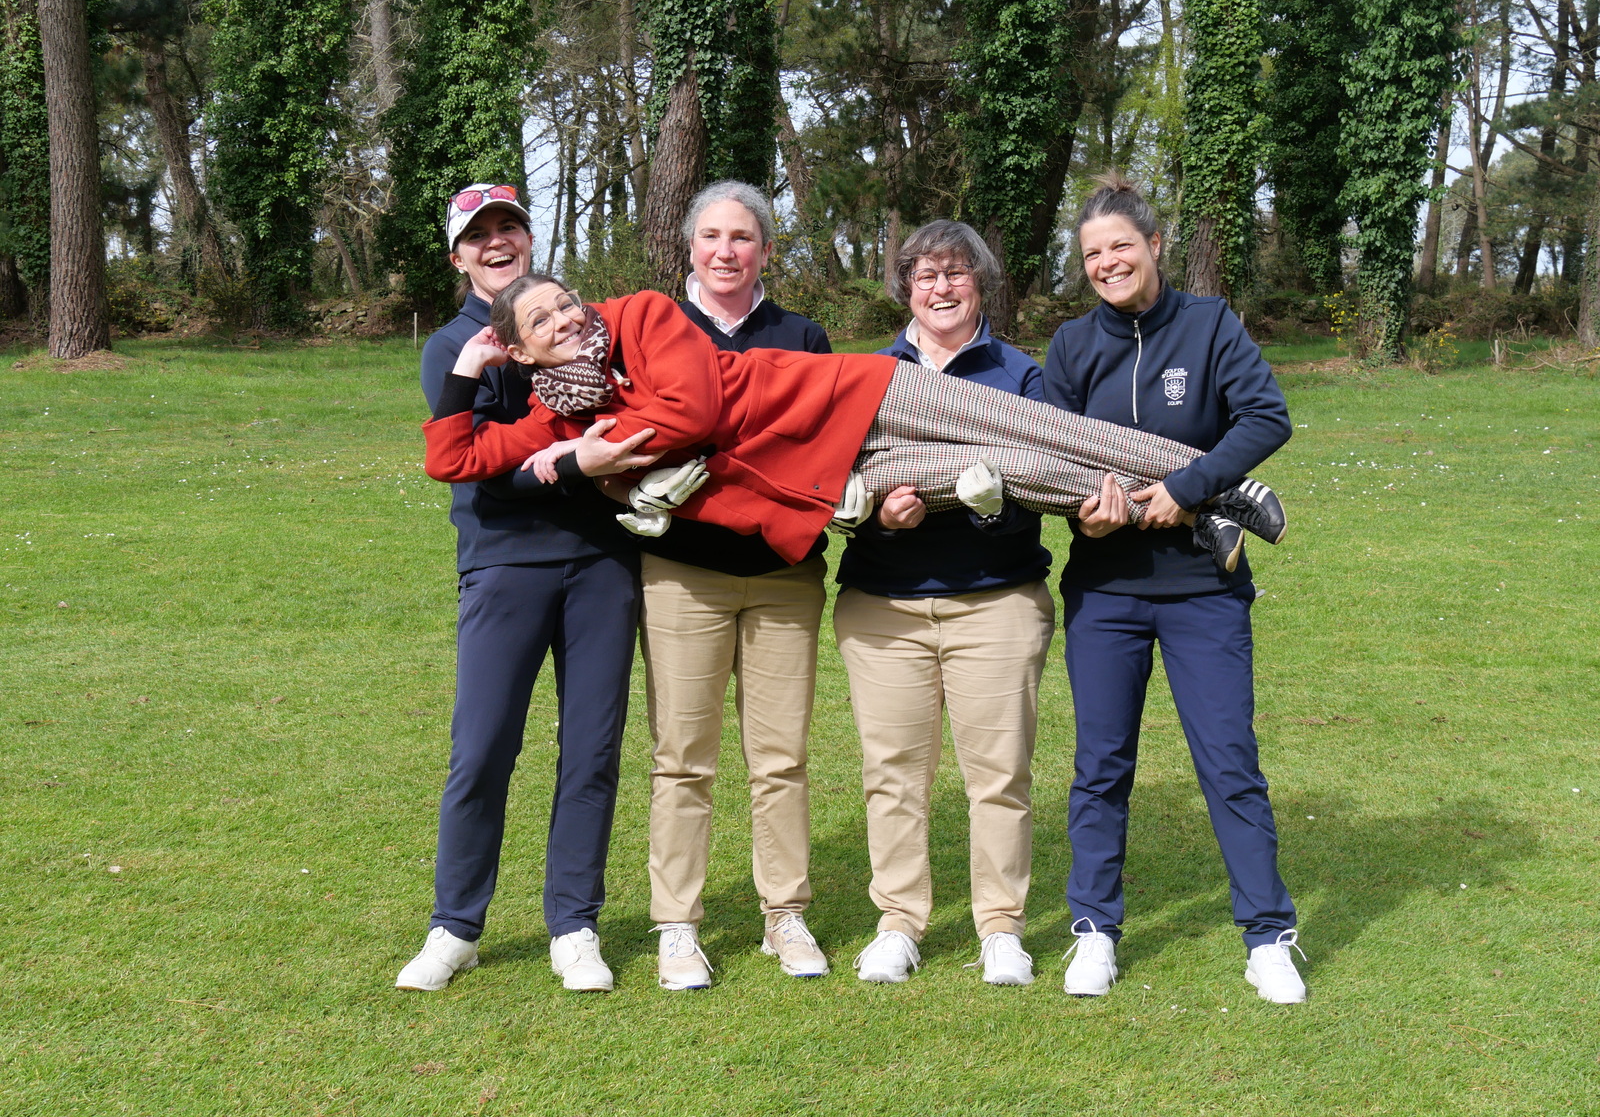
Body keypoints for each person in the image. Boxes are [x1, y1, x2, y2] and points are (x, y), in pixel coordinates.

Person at [420, 281, 1287, 570]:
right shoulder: (555, 412)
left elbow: (694, 412)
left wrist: (600, 455)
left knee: (1037, 429)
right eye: (543, 322)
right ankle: (1198, 512)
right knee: (1014, 470)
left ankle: (1215, 481)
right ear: (521, 350)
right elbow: (458, 459)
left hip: (851, 398)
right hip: (827, 477)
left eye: (566, 302)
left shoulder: (642, 315)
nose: (568, 320)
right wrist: (466, 376)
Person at [1045, 172, 1305, 1005]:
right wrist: (1084, 518)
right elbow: (1050, 460)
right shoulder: (1070, 346)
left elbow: (1265, 416)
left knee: (1230, 763)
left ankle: (1268, 937)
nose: (1108, 263)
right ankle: (1094, 932)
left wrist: (1186, 489)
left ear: (1155, 245)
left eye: (1122, 245)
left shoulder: (1210, 323)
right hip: (1106, 590)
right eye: (1093, 253)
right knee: (1100, 765)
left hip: (1202, 588)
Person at [396, 184, 657, 996]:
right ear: (459, 257)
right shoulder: (454, 347)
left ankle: (574, 926)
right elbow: (474, 467)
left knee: (592, 751)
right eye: (480, 235)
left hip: (601, 565)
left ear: (530, 238)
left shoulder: (581, 328)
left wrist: (592, 461)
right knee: (482, 750)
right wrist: (574, 463)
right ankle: (455, 927)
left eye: (509, 226)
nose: (497, 242)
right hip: (504, 565)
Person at [832, 221, 1054, 988]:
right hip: (884, 607)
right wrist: (872, 518)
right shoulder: (867, 375)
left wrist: (991, 511)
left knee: (999, 775)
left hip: (997, 603)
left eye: (956, 273)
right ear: (906, 288)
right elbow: (835, 480)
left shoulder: (1019, 375)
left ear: (980, 282)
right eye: (926, 275)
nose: (942, 287)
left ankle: (1001, 928)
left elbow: (1044, 489)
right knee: (893, 773)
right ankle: (898, 922)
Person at [635, 182, 835, 990]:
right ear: (689, 245)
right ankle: (677, 927)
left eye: (743, 237)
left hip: (784, 577)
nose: (726, 251)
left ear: (766, 250)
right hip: (685, 575)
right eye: (712, 236)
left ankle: (784, 915)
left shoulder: (801, 335)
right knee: (683, 758)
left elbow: (822, 445)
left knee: (780, 757)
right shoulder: (654, 329)